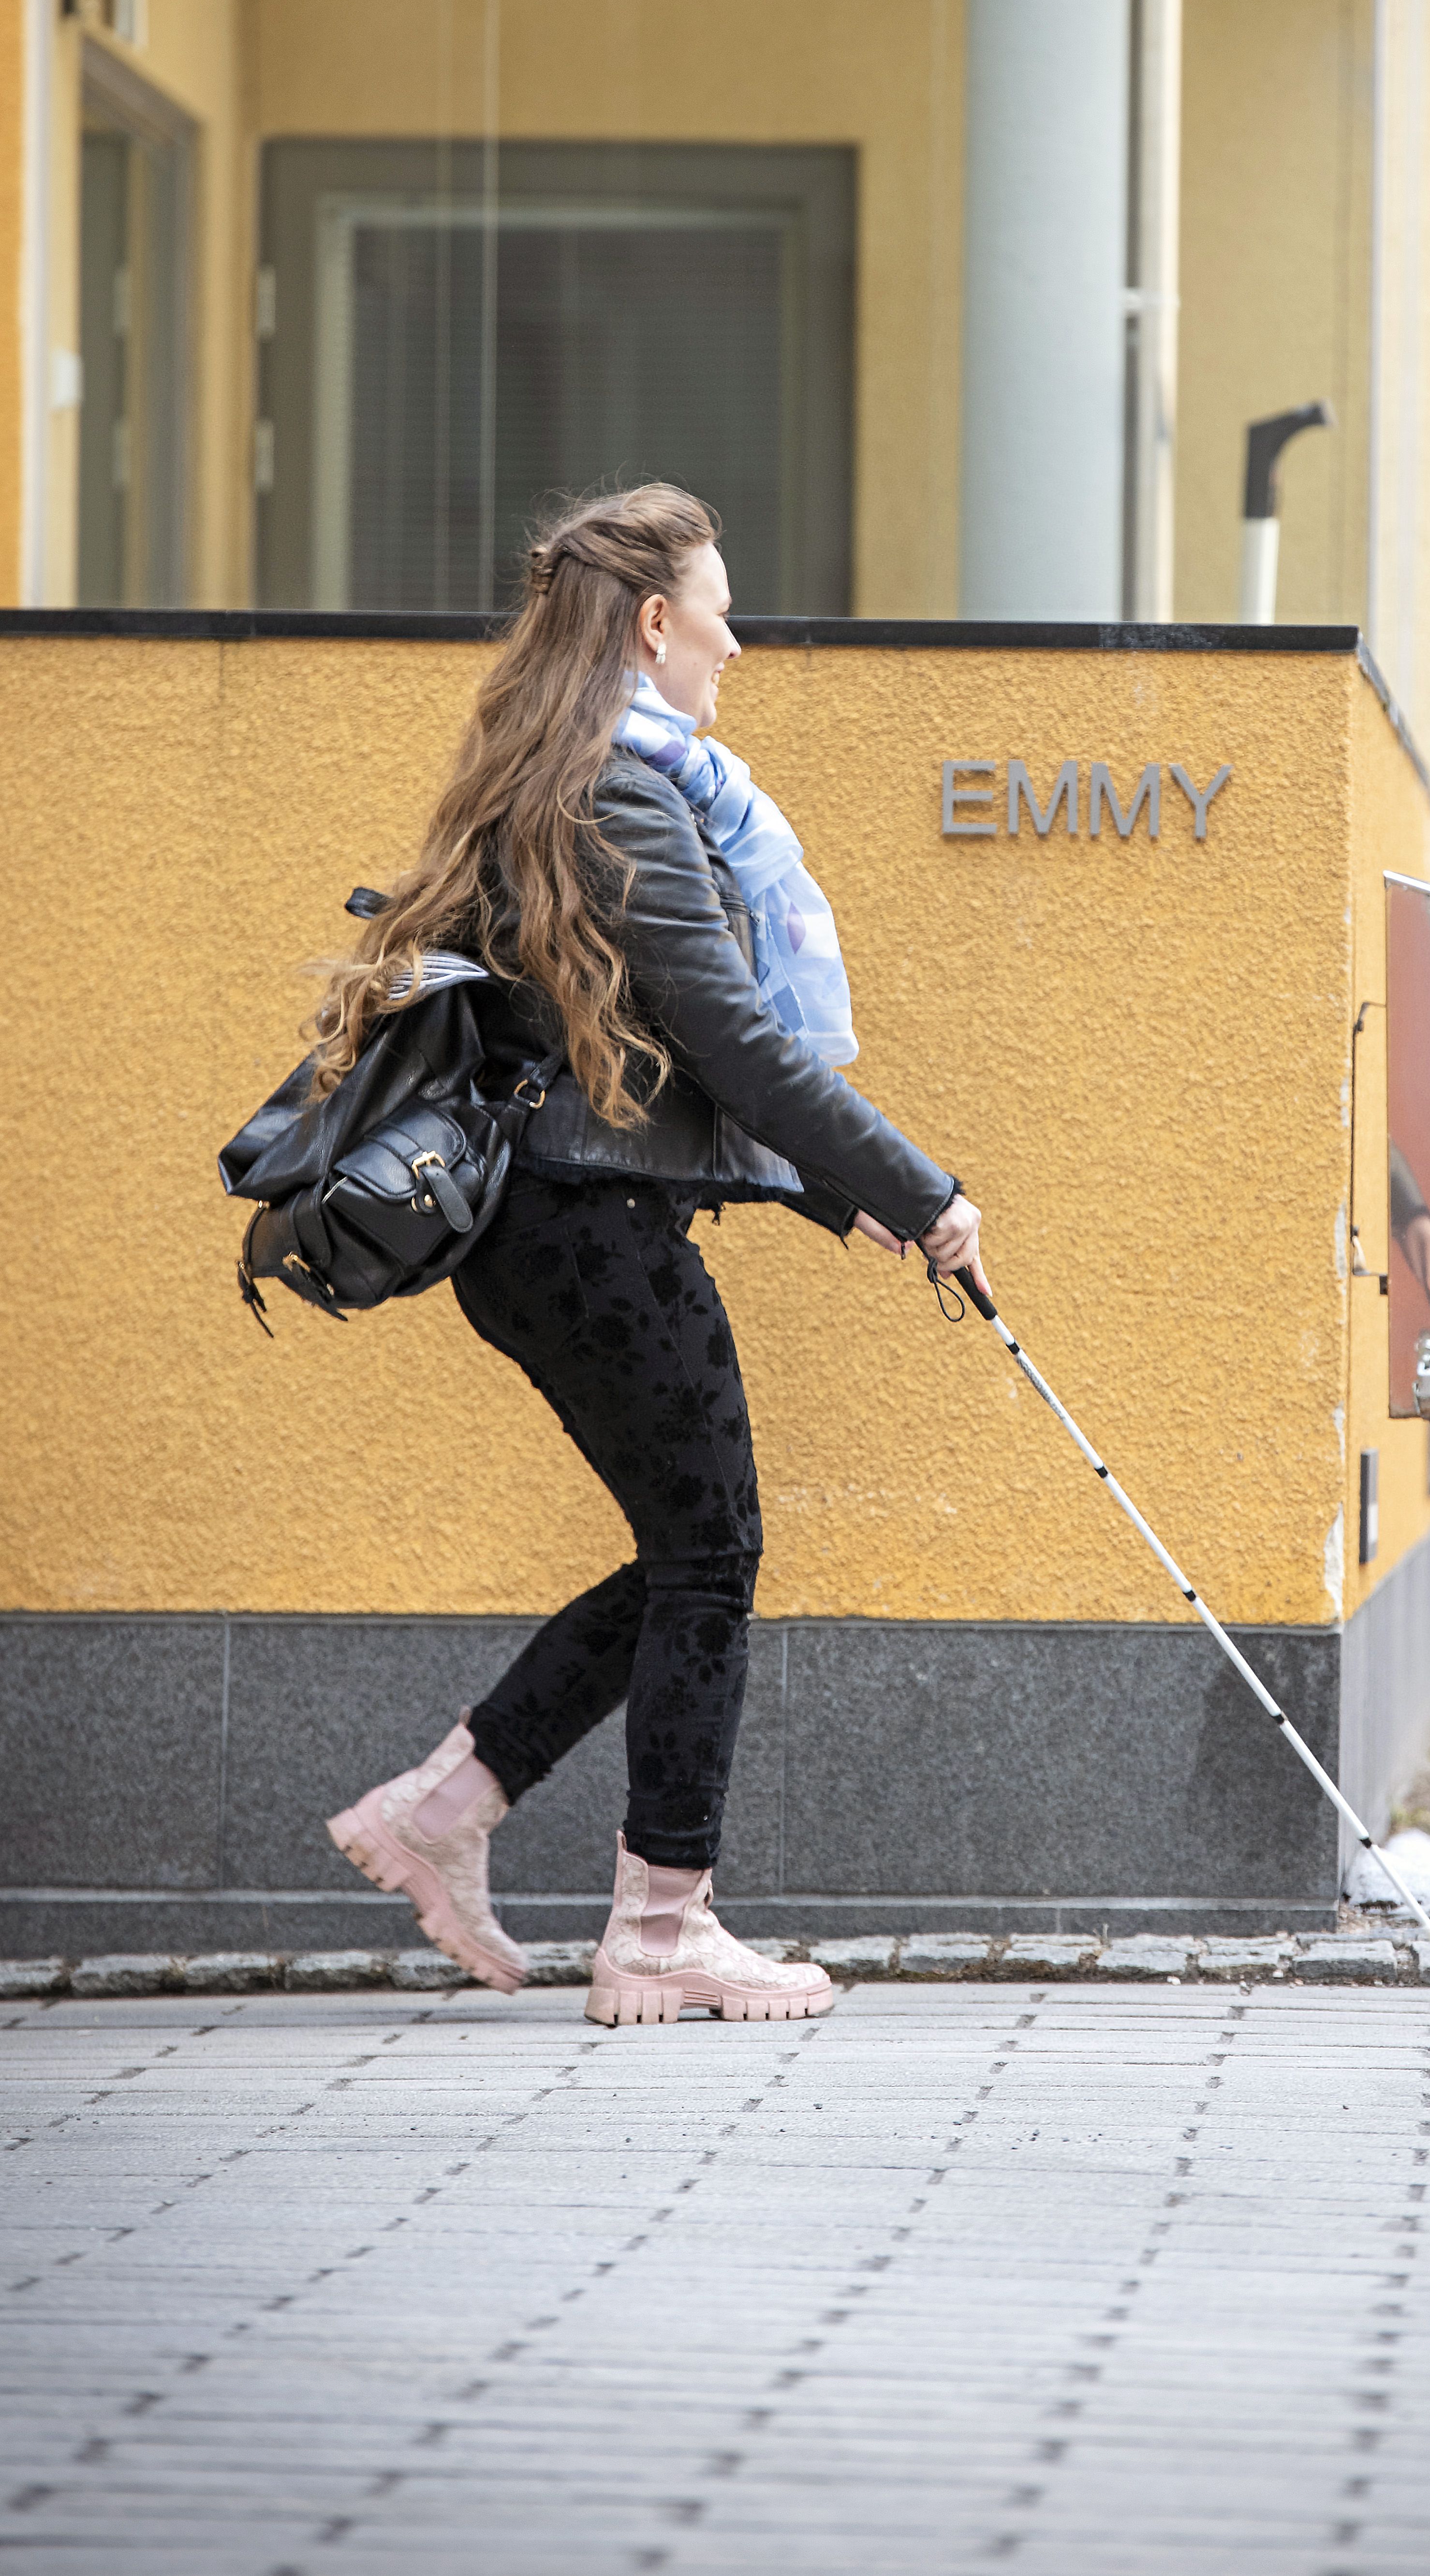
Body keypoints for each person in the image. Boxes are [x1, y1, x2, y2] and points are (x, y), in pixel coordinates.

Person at [313, 483, 982, 2028]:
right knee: (713, 1555)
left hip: (566, 1223)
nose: (737, 639)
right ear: (655, 622)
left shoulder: (576, 773)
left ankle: (447, 1806)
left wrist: (837, 1199)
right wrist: (920, 1184)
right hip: (582, 1230)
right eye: (720, 607)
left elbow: (645, 1067)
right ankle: (661, 1928)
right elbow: (735, 1043)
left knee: (694, 1548)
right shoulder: (618, 789)